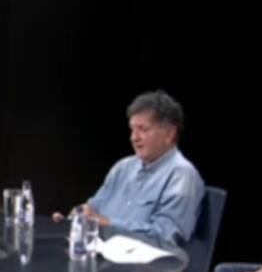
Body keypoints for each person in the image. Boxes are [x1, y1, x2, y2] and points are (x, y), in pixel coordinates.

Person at [53, 90, 205, 245]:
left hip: (144, 259)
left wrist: (107, 222)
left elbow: (166, 235)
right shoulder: (123, 167)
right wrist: (75, 218)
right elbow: (94, 208)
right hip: (101, 250)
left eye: (143, 129)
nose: (134, 137)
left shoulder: (181, 175)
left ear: (169, 134)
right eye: (132, 129)